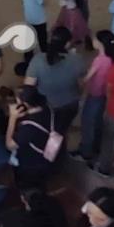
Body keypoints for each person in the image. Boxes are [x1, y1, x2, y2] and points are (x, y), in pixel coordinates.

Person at [24, 27, 85, 157]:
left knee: (46, 130)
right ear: (68, 43)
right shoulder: (77, 60)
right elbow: (81, 84)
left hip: (45, 107)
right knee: (62, 130)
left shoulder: (37, 60)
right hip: (69, 104)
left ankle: (46, 154)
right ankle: (60, 153)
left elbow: (28, 86)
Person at [4, 85, 58, 188]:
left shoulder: (29, 128)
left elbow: (9, 145)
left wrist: (12, 118)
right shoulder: (47, 109)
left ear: (24, 105)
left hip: (31, 165)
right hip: (45, 157)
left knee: (29, 188)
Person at [77, 30, 113, 161]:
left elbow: (86, 78)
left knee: (87, 122)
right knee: (98, 120)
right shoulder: (113, 57)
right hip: (104, 94)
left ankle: (85, 152)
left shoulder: (99, 60)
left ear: (100, 43)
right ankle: (97, 147)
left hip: (94, 94)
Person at [21, 0, 48, 64]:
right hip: (39, 20)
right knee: (42, 39)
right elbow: (43, 2)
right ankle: (46, 55)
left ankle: (27, 58)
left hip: (29, 19)